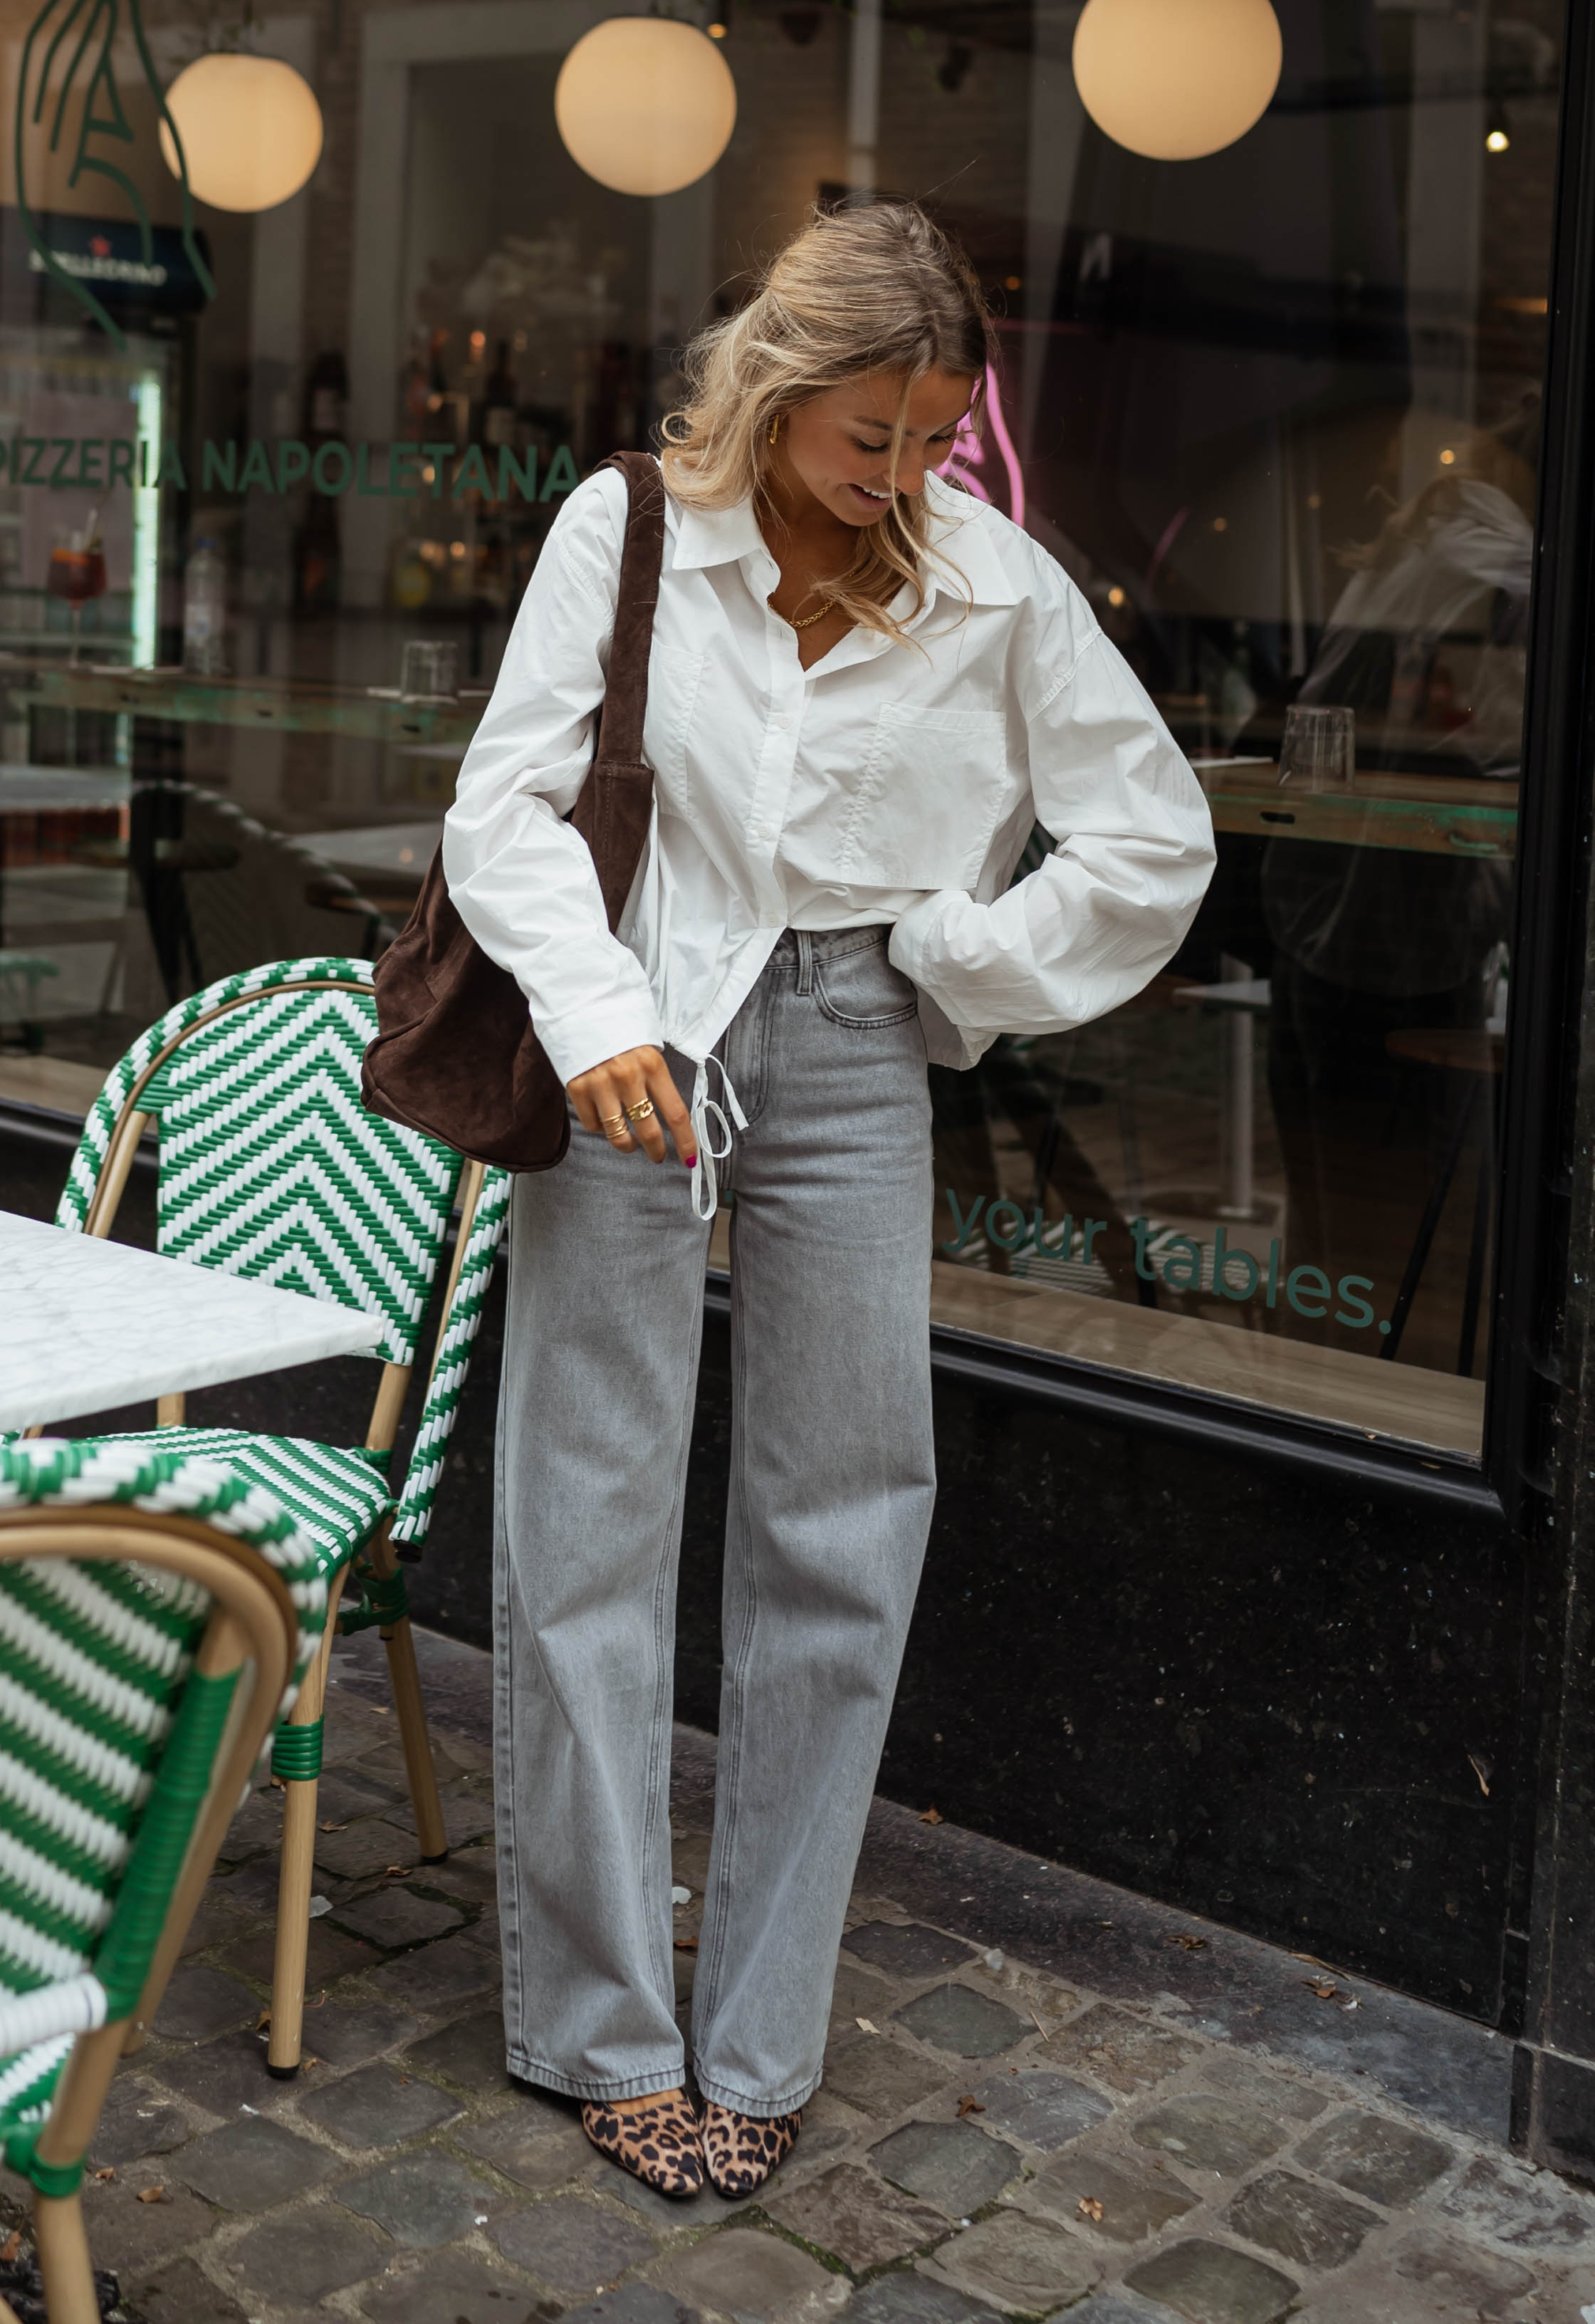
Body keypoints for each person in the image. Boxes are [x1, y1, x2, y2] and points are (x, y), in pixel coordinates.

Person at [442, 202, 1214, 2203]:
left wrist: (952, 963)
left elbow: (1151, 840)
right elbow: (503, 808)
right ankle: (604, 2029)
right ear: (776, 390)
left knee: (844, 1527)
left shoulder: (993, 584)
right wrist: (597, 1009)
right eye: (863, 435)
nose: (896, 476)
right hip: (640, 1024)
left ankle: (762, 2031)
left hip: (860, 1032)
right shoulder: (625, 536)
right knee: (589, 1513)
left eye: (931, 440)